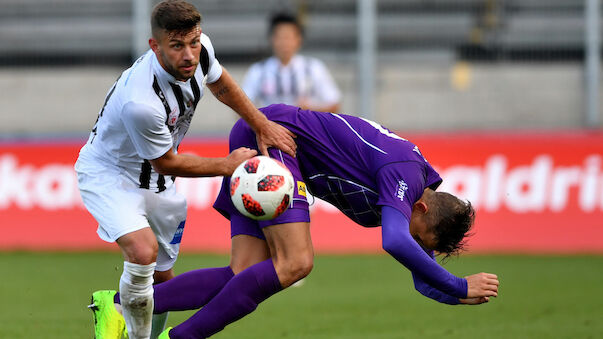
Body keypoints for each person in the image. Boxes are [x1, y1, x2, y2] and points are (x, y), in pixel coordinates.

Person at [101, 104, 499, 338]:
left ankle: (119, 306)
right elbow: (395, 242)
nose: (417, 244)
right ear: (424, 209)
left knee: (244, 271)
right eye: (422, 237)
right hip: (276, 138)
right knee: (296, 263)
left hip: (275, 148)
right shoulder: (406, 175)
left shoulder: (415, 195)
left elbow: (418, 272)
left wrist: (456, 295)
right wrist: (459, 282)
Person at [74, 1, 295, 339]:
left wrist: (261, 124)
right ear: (155, 46)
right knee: (143, 251)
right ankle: (122, 317)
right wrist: (227, 166)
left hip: (159, 184)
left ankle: (127, 313)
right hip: (110, 174)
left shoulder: (200, 52)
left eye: (193, 42)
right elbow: (166, 161)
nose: (190, 54)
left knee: (164, 282)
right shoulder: (141, 104)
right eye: (177, 46)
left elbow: (221, 85)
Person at [242, 13, 341, 113]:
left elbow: (334, 104)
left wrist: (310, 108)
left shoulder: (313, 67)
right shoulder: (258, 70)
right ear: (271, 39)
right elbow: (242, 105)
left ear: (299, 39)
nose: (284, 42)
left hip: (303, 127)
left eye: (288, 37)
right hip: (268, 127)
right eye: (280, 37)